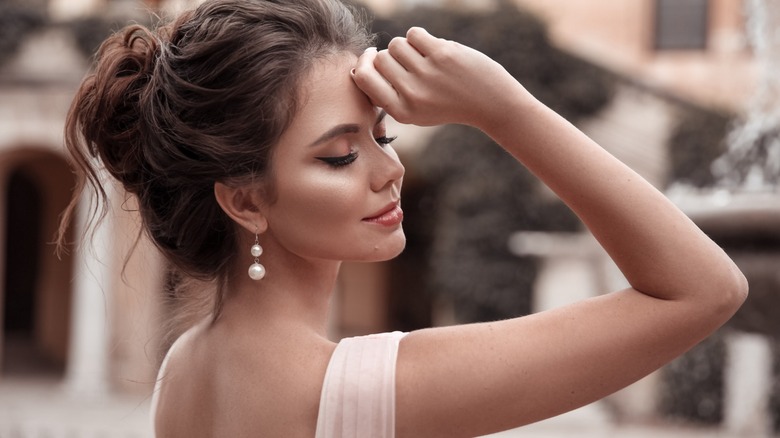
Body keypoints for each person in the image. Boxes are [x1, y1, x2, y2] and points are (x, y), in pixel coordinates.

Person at [58, 0, 748, 436]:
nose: (389, 171)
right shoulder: (374, 388)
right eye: (338, 157)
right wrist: (506, 110)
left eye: (382, 135)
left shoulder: (185, 371)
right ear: (244, 200)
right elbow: (704, 289)